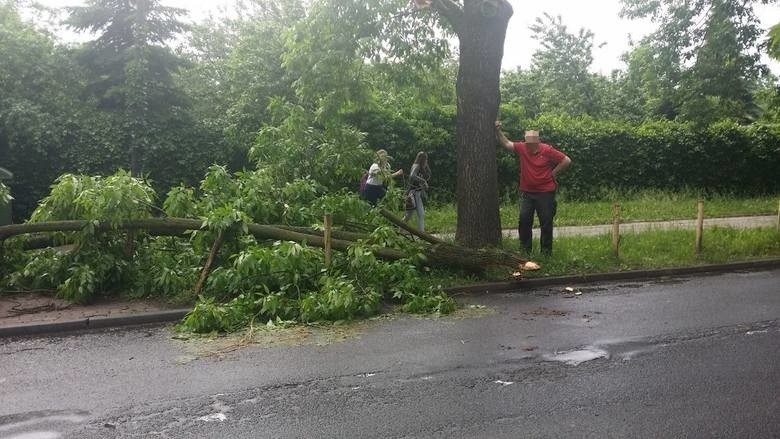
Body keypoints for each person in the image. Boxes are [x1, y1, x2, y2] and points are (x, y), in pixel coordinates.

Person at [495, 122, 571, 255]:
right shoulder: (522, 148)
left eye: (530, 143)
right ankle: (525, 251)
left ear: (537, 142)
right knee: (524, 220)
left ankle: (546, 253)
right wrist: (498, 131)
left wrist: (554, 172)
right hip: (528, 193)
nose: (527, 146)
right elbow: (507, 144)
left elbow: (566, 160)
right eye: (526, 142)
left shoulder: (547, 150)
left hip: (545, 193)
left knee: (546, 223)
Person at [402, 151, 431, 231]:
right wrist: (423, 181)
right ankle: (420, 234)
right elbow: (412, 176)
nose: (427, 161)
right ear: (422, 159)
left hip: (417, 193)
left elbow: (429, 174)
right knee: (414, 214)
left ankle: (420, 233)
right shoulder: (417, 166)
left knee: (414, 214)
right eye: (426, 159)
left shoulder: (421, 166)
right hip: (413, 193)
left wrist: (426, 166)